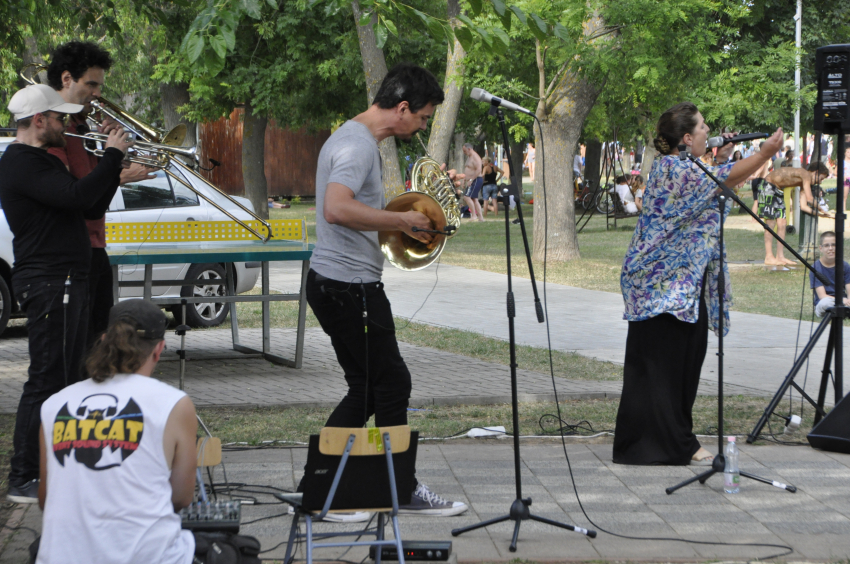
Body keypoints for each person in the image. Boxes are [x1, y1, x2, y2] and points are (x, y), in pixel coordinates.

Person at [308, 62, 467, 516]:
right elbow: (338, 209)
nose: (421, 127)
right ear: (401, 108)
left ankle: (320, 490)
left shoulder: (354, 138)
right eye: (420, 118)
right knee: (391, 383)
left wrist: (431, 202)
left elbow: (363, 205)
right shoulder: (357, 146)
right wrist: (402, 219)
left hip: (338, 284)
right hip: (347, 287)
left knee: (367, 389)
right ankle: (399, 489)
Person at [616, 101, 782, 466]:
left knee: (681, 365)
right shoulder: (674, 169)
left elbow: (714, 189)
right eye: (703, 127)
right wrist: (765, 152)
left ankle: (661, 441)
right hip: (661, 286)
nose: (709, 130)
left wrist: (720, 156)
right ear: (687, 138)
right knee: (665, 370)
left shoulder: (688, 166)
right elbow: (727, 179)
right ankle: (677, 444)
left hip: (682, 286)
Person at [1, 84, 133, 503]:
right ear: (39, 121)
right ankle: (23, 475)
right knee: (47, 378)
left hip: (66, 278)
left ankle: (61, 460)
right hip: (48, 280)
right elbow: (77, 194)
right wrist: (110, 155)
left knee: (69, 374)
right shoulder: (23, 163)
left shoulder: (41, 160)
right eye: (59, 118)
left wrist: (112, 166)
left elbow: (89, 207)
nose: (65, 124)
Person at [36, 299, 197, 563]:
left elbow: (47, 498)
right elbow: (181, 496)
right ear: (159, 349)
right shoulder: (174, 404)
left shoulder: (55, 405)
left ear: (103, 340)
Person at [46, 41, 156, 350]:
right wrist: (117, 169)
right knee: (76, 348)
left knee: (99, 342)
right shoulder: (54, 129)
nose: (97, 94)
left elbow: (97, 195)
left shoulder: (82, 126)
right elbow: (74, 192)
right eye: (91, 84)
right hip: (68, 252)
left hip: (95, 245)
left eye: (99, 85)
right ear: (66, 79)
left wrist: (112, 152)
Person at [761, 162, 830, 266]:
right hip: (768, 185)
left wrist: (819, 214)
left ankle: (780, 256)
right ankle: (769, 257)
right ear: (816, 172)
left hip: (778, 190)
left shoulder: (804, 182)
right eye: (821, 178)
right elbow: (810, 198)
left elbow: (803, 206)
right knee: (770, 224)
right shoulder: (805, 174)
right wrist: (822, 209)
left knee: (782, 223)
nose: (820, 182)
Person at [811, 231, 850, 318]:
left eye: (834, 245)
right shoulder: (815, 268)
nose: (830, 248)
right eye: (827, 245)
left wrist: (848, 300)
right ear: (821, 248)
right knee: (825, 303)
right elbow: (822, 296)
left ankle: (843, 311)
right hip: (826, 301)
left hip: (844, 300)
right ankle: (844, 312)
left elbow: (849, 288)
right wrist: (841, 301)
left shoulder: (845, 265)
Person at [462, 143, 484, 221]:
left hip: (476, 179)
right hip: (471, 180)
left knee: (466, 197)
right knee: (474, 199)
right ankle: (481, 218)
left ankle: (474, 215)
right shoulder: (469, 157)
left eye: (464, 151)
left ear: (469, 149)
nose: (464, 153)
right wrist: (464, 179)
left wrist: (471, 179)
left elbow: (479, 170)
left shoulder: (476, 157)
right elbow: (468, 169)